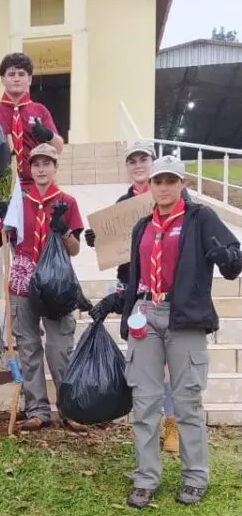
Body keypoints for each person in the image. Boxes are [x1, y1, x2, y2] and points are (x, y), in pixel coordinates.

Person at [91, 154, 242, 507]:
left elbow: (233, 259)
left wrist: (227, 257)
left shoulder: (199, 218)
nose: (162, 187)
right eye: (158, 181)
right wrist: (119, 302)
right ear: (150, 185)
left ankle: (195, 476)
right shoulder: (142, 225)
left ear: (182, 184)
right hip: (147, 313)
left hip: (184, 317)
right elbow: (131, 276)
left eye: (170, 181)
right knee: (144, 402)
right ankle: (146, 476)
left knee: (187, 401)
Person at [86, 139, 178, 454]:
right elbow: (120, 257)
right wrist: (97, 241)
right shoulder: (122, 203)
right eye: (133, 161)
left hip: (169, 295)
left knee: (170, 366)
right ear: (128, 167)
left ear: (153, 164)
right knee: (144, 365)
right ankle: (148, 427)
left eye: (144, 159)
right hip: (136, 297)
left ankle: (173, 424)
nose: (138, 165)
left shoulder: (172, 199)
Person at [0, 142, 86, 430]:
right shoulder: (20, 201)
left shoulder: (67, 201)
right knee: (28, 346)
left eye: (47, 163)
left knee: (59, 347)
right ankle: (37, 410)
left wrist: (63, 229)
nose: (42, 169)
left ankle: (69, 409)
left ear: (55, 167)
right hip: (23, 279)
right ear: (30, 169)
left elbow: (75, 249)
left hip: (56, 283)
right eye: (37, 164)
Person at [0, 53, 64, 184]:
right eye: (11, 74)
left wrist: (48, 135)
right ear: (2, 79)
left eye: (21, 74)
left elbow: (58, 148)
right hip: (1, 187)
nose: (16, 79)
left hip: (36, 186)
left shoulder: (40, 110)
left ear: (29, 79)